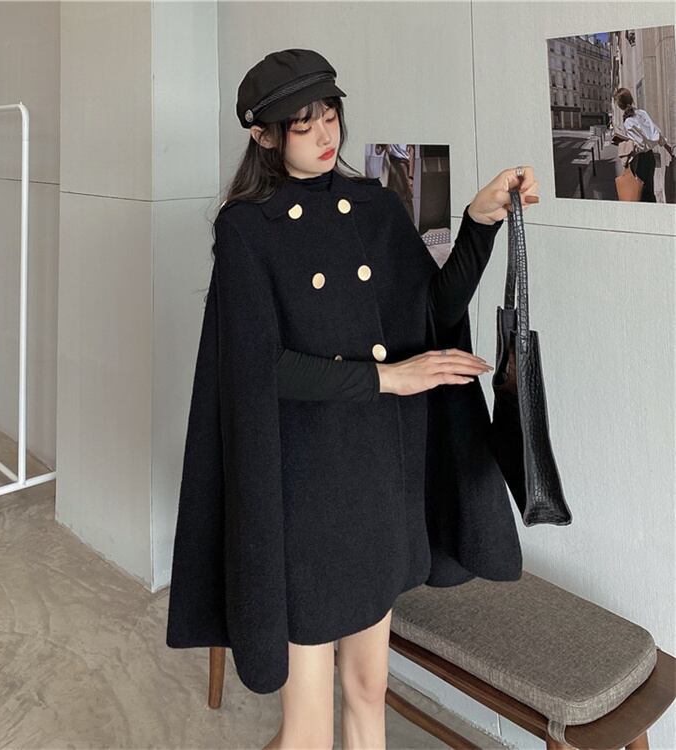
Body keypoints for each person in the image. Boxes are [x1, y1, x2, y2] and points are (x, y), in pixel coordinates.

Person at [165, 48, 540, 749]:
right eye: (302, 123)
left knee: (369, 692)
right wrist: (386, 379)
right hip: (307, 500)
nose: (324, 133)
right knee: (307, 732)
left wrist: (479, 221)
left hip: (381, 487)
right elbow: (256, 369)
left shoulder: (374, 204)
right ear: (263, 135)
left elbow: (430, 311)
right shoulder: (247, 229)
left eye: (329, 115)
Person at [613, 87, 673, 203]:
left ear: (620, 106)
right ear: (631, 99)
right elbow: (656, 132)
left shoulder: (628, 122)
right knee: (649, 190)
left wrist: (625, 145)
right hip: (650, 157)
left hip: (639, 160)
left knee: (641, 192)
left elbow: (639, 145)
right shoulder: (642, 113)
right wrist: (667, 147)